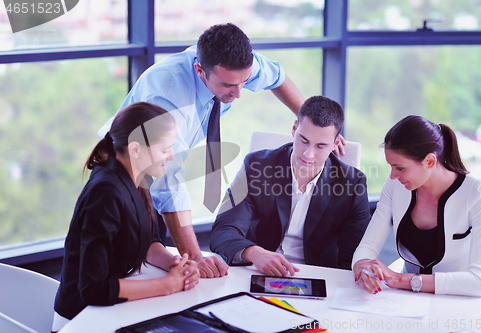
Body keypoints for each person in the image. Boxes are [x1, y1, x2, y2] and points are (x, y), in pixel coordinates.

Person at [98, 23, 326, 279]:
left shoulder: (237, 65)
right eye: (228, 85)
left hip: (158, 168)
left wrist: (313, 125)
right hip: (126, 169)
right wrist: (194, 256)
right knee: (127, 265)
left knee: (162, 262)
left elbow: (278, 77)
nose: (239, 94)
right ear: (200, 71)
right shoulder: (169, 97)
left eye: (245, 81)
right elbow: (169, 186)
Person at [52, 102, 200, 332]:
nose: (171, 156)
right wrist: (167, 285)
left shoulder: (137, 175)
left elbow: (147, 240)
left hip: (113, 310)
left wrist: (175, 265)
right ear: (135, 149)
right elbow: (94, 289)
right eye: (165, 149)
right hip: (82, 319)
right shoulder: (105, 193)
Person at [210, 96, 371, 276]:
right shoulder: (256, 166)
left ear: (335, 144)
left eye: (320, 146)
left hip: (319, 278)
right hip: (257, 271)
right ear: (294, 128)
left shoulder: (353, 184)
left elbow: (355, 255)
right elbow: (223, 230)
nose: (308, 154)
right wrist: (254, 253)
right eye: (303, 140)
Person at [352, 115, 481, 297]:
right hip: (404, 300)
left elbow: (478, 282)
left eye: (400, 168)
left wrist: (401, 280)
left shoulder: (480, 192)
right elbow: (368, 246)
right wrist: (362, 266)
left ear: (429, 161)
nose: (392, 176)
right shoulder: (395, 186)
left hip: (454, 301)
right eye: (391, 166)